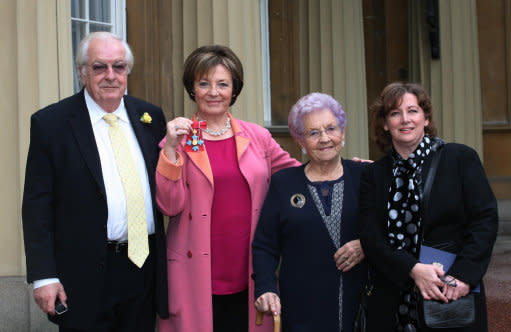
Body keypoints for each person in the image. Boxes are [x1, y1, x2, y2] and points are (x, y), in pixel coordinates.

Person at [22, 32, 169, 331]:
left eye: (119, 66)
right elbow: (37, 206)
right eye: (99, 67)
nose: (110, 76)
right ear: (82, 72)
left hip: (143, 269)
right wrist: (44, 276)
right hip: (83, 273)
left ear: (127, 71)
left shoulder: (150, 118)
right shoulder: (51, 124)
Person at [155, 45, 300, 332]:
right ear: (192, 88)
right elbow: (169, 206)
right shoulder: (180, 140)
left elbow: (299, 175)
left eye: (223, 84)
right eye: (204, 83)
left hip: (249, 269)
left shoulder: (257, 137)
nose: (213, 92)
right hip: (193, 272)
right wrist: (171, 149)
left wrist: (346, 169)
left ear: (234, 89)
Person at [359, 82, 498, 331]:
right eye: (395, 113)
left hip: (449, 292)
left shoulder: (460, 158)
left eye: (413, 111)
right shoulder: (374, 174)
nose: (405, 120)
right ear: (384, 124)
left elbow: (484, 220)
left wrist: (463, 276)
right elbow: (371, 237)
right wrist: (412, 269)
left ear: (426, 118)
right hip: (392, 300)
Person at [252, 92, 368, 331]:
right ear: (300, 141)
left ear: (343, 133)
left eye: (331, 129)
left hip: (359, 307)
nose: (325, 138)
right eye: (313, 133)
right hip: (302, 309)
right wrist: (266, 287)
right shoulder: (284, 183)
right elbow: (264, 245)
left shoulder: (365, 177)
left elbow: (390, 231)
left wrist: (365, 244)